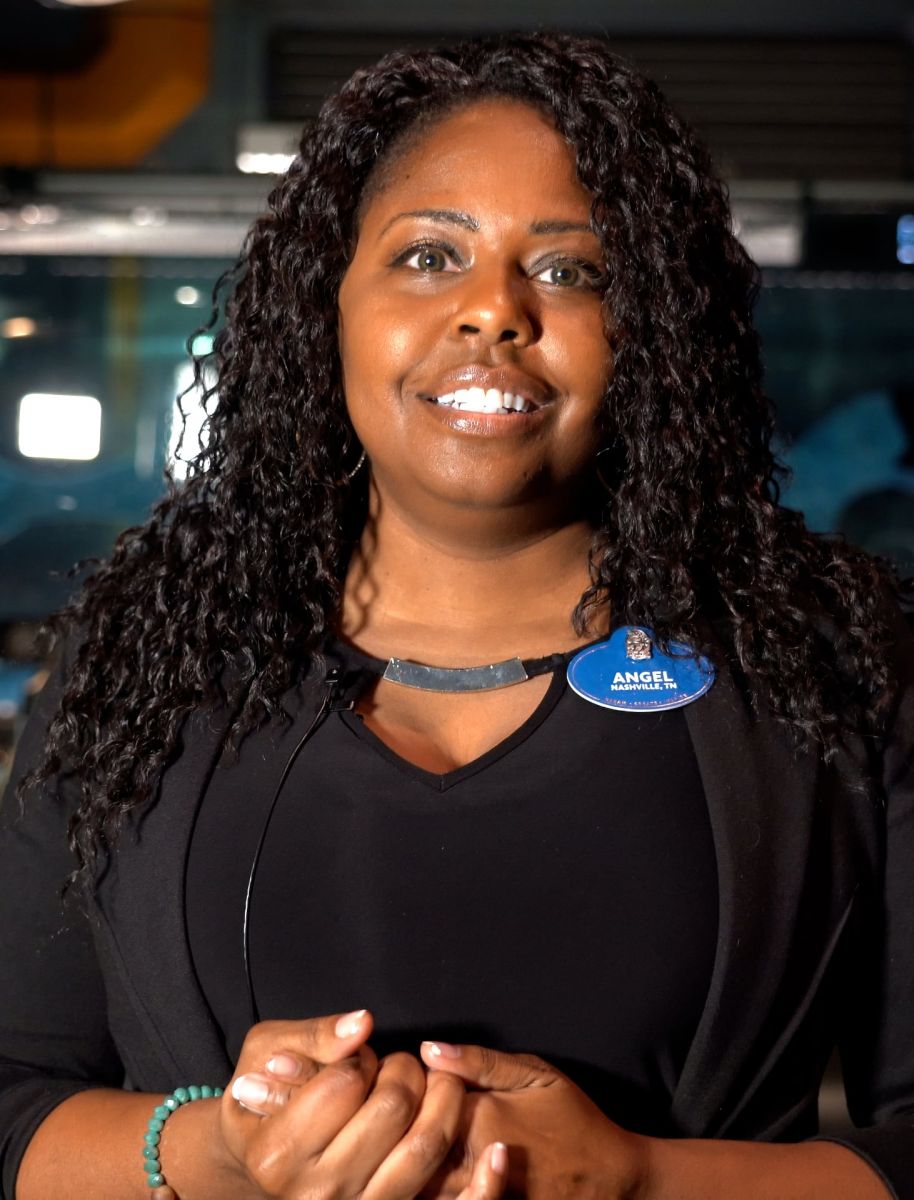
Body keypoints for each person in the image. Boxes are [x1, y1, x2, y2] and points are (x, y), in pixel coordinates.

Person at [2, 29, 913, 1200]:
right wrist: (221, 1151)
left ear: (654, 336)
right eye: (430, 256)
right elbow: (15, 1101)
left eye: (572, 270)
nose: (494, 311)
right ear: (326, 301)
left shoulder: (837, 659)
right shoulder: (138, 653)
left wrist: (638, 1178)